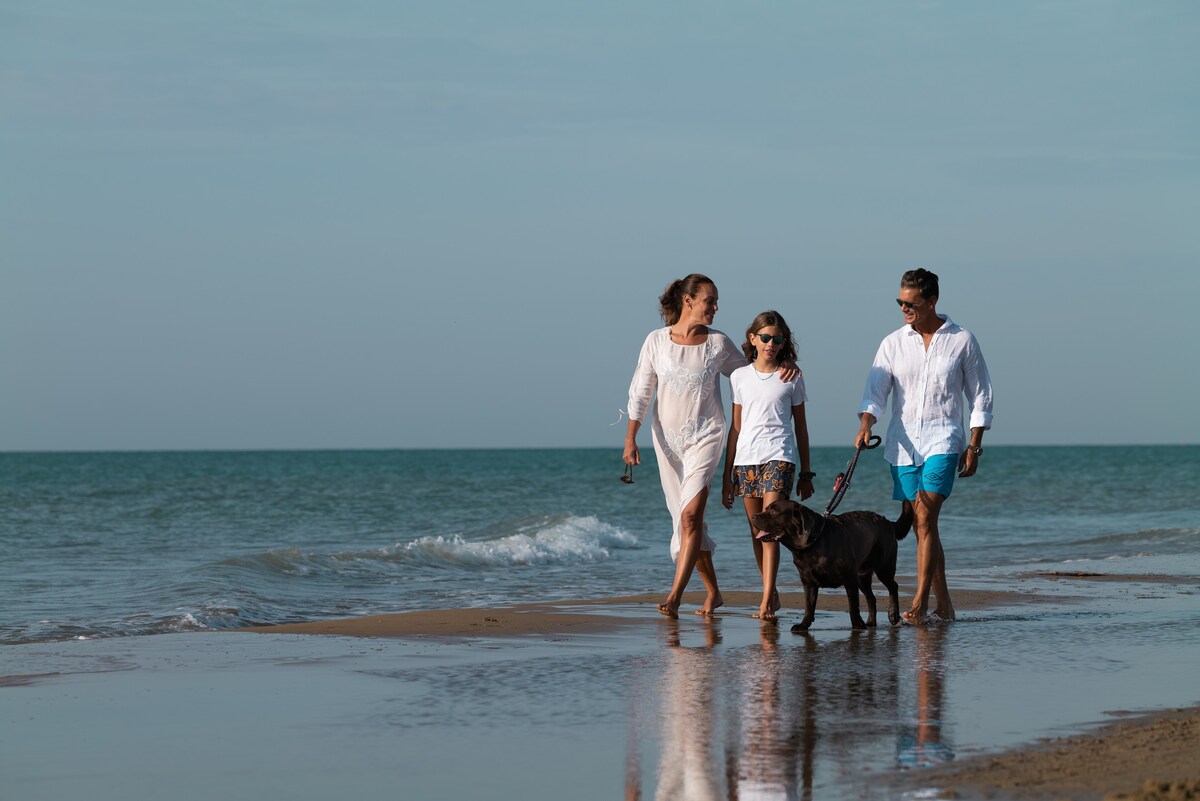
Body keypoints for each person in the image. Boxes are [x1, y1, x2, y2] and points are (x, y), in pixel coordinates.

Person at [624, 275, 794, 619]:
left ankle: (674, 596)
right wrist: (631, 437)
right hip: (667, 443)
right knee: (685, 522)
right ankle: (714, 592)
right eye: (710, 301)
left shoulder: (718, 344)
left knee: (691, 516)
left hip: (706, 436)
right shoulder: (656, 341)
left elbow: (753, 373)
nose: (716, 308)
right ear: (688, 301)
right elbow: (641, 391)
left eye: (716, 301)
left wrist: (783, 365)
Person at [855, 268, 993, 624]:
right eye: (900, 301)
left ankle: (917, 601)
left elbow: (980, 395)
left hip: (944, 437)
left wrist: (974, 445)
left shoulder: (962, 339)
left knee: (925, 516)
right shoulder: (892, 343)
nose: (904, 308)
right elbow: (876, 392)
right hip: (902, 444)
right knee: (921, 525)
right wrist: (866, 423)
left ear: (932, 301)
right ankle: (944, 604)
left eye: (911, 302)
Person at [721, 311, 814, 623]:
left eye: (777, 339)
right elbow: (736, 428)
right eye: (765, 337)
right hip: (746, 460)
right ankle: (770, 592)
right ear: (753, 339)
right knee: (756, 530)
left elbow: (802, 427)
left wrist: (806, 472)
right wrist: (727, 475)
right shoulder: (739, 378)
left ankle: (765, 602)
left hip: (780, 457)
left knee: (770, 530)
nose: (771, 344)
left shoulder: (792, 377)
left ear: (783, 342)